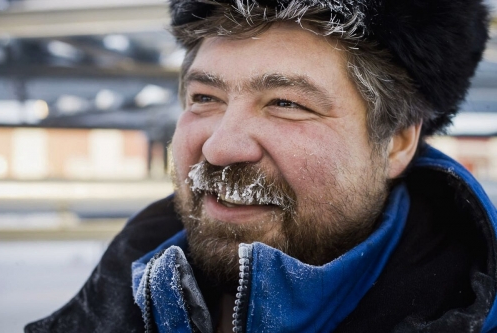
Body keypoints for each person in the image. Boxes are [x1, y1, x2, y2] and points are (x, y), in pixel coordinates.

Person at [26, 0, 497, 332]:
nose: (219, 148)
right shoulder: (116, 294)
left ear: (396, 142)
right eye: (205, 98)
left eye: (287, 102)